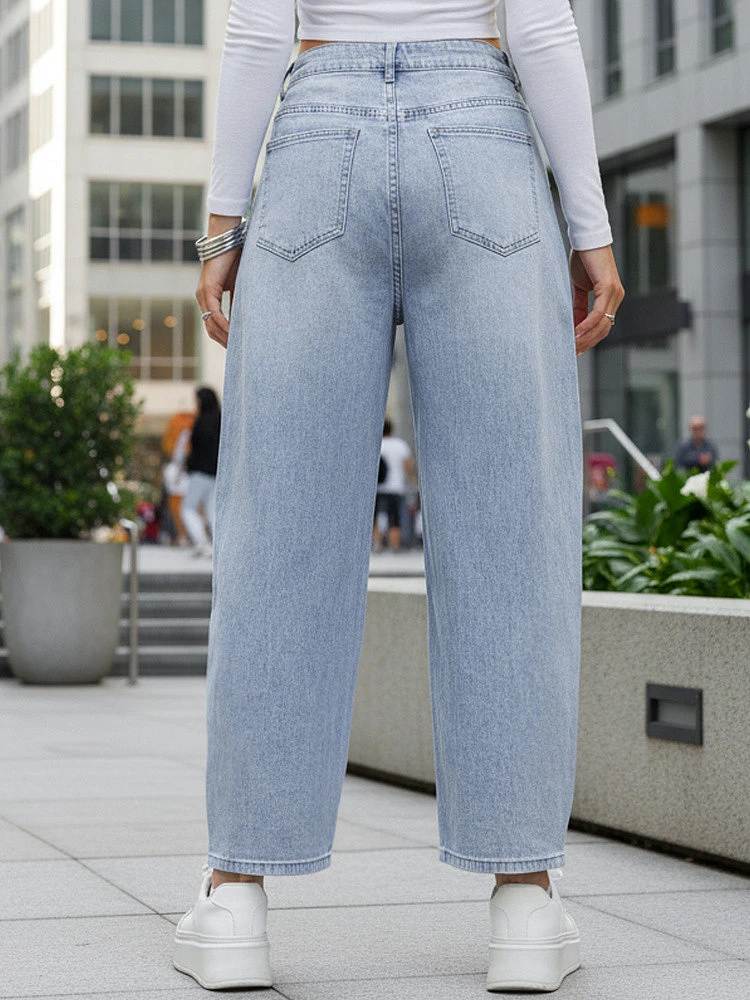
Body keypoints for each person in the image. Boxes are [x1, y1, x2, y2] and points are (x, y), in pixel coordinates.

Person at [175, 0, 625, 993]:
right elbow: (542, 26)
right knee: (511, 534)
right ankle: (524, 899)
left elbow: (258, 26)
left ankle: (236, 895)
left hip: (316, 130)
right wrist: (589, 226)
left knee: (278, 535)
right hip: (482, 130)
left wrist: (221, 224)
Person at [181, 387, 221, 559]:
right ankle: (217, 545)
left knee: (188, 509)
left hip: (200, 473)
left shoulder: (201, 421)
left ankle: (202, 543)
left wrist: (188, 465)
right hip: (216, 473)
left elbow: (194, 449)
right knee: (212, 510)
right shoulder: (220, 419)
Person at [373, 417, 417, 551]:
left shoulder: (376, 444)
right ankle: (395, 545)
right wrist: (413, 480)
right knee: (394, 517)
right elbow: (407, 466)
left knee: (374, 517)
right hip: (395, 487)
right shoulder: (400, 445)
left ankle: (377, 543)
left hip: (377, 488)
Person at [161, 411, 195, 546]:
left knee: (179, 508)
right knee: (182, 508)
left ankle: (183, 536)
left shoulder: (179, 436)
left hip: (179, 475)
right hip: (181, 475)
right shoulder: (186, 435)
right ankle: (184, 536)